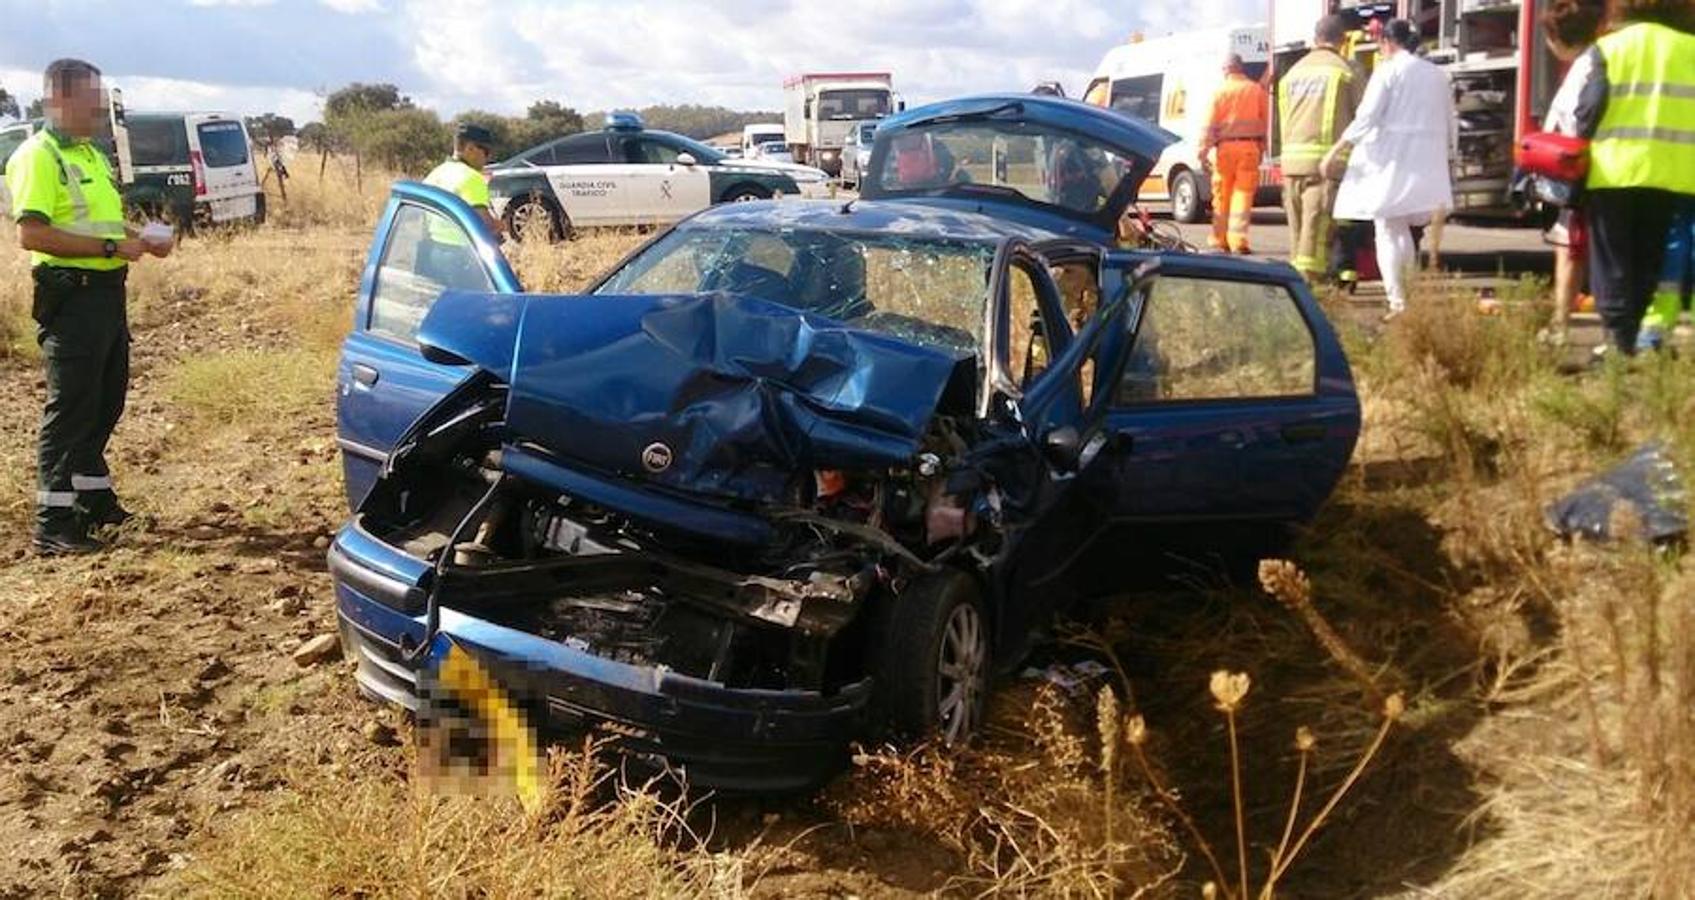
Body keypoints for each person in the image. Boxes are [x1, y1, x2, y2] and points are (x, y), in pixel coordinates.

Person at [6, 59, 171, 555]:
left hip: (105, 295)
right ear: (59, 99)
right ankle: (52, 522)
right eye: (90, 97)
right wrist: (108, 250)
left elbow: (106, 222)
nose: (100, 106)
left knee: (105, 400)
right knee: (72, 407)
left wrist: (141, 237)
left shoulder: (91, 155)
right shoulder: (40, 155)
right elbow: (31, 233)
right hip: (70, 296)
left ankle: (93, 503)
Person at [1569, 0, 1695, 353]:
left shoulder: (1610, 48)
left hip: (1614, 170)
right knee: (1648, 258)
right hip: (1672, 172)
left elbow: (1589, 108)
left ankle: (1617, 340)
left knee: (1613, 262)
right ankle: (1631, 334)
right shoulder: (1689, 48)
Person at [1325, 19, 1455, 320]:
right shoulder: (1437, 75)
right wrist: (1449, 159)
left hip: (1392, 163)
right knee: (1403, 231)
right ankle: (1403, 299)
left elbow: (1367, 117)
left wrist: (1337, 148)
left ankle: (1398, 301)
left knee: (1387, 229)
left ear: (1387, 43)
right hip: (1427, 162)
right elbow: (1451, 119)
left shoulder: (1388, 71)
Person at [1538, 0, 1608, 343]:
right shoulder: (1589, 62)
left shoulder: (1586, 66)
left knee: (1569, 248)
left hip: (1579, 170)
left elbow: (1578, 121)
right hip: (1585, 169)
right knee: (1573, 248)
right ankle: (1561, 320)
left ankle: (1560, 324)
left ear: (1558, 38)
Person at [1278, 14, 1365, 283]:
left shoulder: (1292, 73)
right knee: (1314, 240)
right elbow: (1363, 117)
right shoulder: (1345, 72)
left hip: (1291, 164)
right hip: (1325, 166)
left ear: (1315, 39)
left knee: (1298, 235)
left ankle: (1296, 289)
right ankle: (1312, 295)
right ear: (1342, 40)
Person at [1200, 54, 1270, 254]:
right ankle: (1238, 240)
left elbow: (1208, 125)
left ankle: (1218, 239)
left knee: (1222, 195)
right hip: (1249, 149)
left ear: (1226, 69)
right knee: (1243, 195)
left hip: (1225, 150)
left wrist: (1202, 151)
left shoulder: (1219, 92)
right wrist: (1262, 148)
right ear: (1241, 68)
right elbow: (1265, 122)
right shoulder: (1255, 90)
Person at [425, 123, 502, 238]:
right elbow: (486, 226)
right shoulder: (472, 178)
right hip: (461, 251)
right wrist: (505, 225)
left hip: (433, 247)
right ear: (470, 148)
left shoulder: (434, 174)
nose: (488, 157)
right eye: (486, 151)